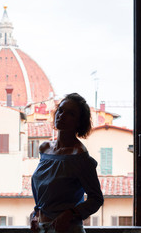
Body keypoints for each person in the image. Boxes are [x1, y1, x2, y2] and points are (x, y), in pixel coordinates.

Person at [30, 93, 104, 233]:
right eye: (61, 110)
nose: (62, 115)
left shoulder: (80, 157)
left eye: (70, 113)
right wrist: (35, 215)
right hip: (41, 229)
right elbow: (46, 195)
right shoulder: (44, 149)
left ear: (79, 122)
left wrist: (69, 214)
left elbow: (96, 199)